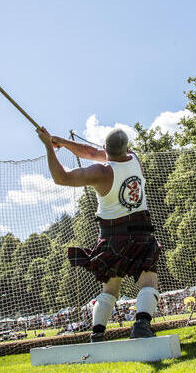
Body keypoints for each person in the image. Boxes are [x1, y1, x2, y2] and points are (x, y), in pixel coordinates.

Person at [37, 127, 162, 342]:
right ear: (127, 147)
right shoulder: (135, 159)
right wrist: (62, 142)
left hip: (112, 235)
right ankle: (141, 326)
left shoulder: (101, 173)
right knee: (148, 281)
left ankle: (97, 333)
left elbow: (61, 177)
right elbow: (91, 152)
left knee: (110, 288)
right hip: (141, 230)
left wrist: (49, 147)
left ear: (105, 148)